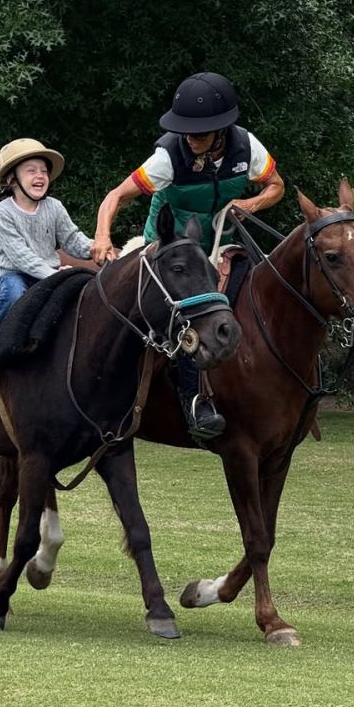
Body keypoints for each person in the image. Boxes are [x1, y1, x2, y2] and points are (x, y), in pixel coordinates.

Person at [91, 72, 284, 439]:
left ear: (221, 132)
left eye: (200, 133)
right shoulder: (166, 158)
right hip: (171, 251)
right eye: (186, 132)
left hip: (221, 244)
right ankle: (194, 401)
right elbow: (116, 196)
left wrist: (249, 203)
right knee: (191, 317)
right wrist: (102, 236)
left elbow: (276, 186)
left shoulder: (247, 147)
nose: (191, 139)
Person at [0, 139, 95, 377]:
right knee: (14, 295)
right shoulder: (2, 212)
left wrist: (98, 250)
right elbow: (19, 255)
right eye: (31, 171)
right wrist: (52, 275)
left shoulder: (54, 207)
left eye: (44, 171)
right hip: (15, 272)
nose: (40, 176)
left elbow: (72, 239)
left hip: (49, 273)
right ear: (13, 179)